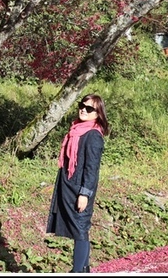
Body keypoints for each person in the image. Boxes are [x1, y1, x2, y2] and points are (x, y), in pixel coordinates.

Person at [46, 93, 109, 273]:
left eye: (89, 108)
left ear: (97, 114)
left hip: (79, 189)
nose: (83, 109)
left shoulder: (93, 136)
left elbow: (92, 169)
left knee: (80, 229)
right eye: (82, 105)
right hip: (69, 187)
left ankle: (77, 271)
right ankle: (84, 268)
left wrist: (85, 194)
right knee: (79, 229)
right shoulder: (76, 130)